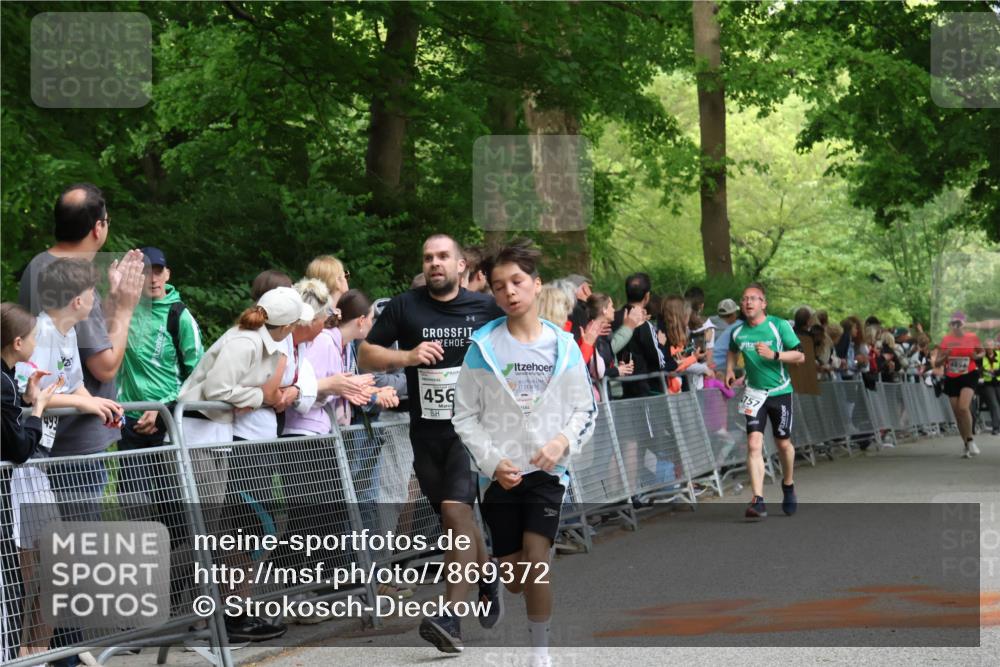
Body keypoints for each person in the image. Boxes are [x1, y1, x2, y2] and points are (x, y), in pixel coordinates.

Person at [357, 234, 505, 653]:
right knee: (450, 520)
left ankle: (450, 620)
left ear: (461, 266)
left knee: (457, 513)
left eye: (443, 257)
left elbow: (513, 353)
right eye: (428, 257)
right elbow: (365, 356)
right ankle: (485, 572)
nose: (435, 263)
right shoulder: (406, 306)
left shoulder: (485, 309)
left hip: (470, 432)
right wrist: (407, 357)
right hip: (425, 433)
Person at [453, 240, 597, 667]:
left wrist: (561, 443)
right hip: (499, 475)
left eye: (517, 282)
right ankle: (497, 580)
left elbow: (584, 408)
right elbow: (464, 416)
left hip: (548, 474)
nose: (509, 292)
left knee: (539, 561)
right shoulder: (483, 348)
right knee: (516, 578)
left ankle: (540, 654)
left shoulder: (564, 347)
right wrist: (493, 462)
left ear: (535, 286)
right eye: (499, 286)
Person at [175, 286, 315, 642]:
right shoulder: (246, 341)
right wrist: (258, 398)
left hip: (214, 437)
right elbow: (218, 391)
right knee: (205, 532)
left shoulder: (258, 341)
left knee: (213, 530)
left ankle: (216, 618)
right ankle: (202, 621)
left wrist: (252, 399)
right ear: (287, 326)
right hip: (199, 436)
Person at [12, 260, 124, 660]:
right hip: (24, 468)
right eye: (92, 294)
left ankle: (40, 654)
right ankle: (31, 654)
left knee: (49, 576)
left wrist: (98, 402)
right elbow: (33, 394)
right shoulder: (40, 332)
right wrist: (82, 401)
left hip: (40, 465)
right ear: (78, 299)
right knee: (39, 576)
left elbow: (73, 383)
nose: (94, 301)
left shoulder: (69, 332)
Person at [116, 247, 204, 511]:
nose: (152, 279)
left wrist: (163, 408)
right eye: (145, 273)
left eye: (158, 271)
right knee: (133, 502)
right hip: (129, 419)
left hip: (168, 421)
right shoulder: (123, 312)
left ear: (167, 274)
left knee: (172, 503)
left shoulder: (180, 317)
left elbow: (199, 376)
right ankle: (141, 552)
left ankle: (175, 551)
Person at [1, 303, 60, 662]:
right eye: (35, 338)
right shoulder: (3, 383)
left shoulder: (8, 382)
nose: (38, 344)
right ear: (18, 342)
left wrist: (24, 399)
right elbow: (20, 449)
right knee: (8, 591)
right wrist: (37, 409)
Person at [725, 282, 805, 520]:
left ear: (763, 303)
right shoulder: (738, 332)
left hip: (780, 392)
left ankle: (788, 484)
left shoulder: (778, 325)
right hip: (754, 393)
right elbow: (732, 350)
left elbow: (800, 355)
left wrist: (775, 355)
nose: (748, 302)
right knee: (753, 443)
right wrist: (730, 369)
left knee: (783, 444)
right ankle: (758, 500)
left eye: (753, 298)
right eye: (744, 299)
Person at [935, 312, 984, 458]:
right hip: (951, 377)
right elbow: (937, 363)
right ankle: (966, 445)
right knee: (957, 413)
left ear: (964, 324)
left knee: (963, 408)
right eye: (953, 323)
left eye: (959, 323)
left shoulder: (972, 337)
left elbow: (982, 353)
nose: (956, 326)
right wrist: (945, 355)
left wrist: (976, 356)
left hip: (969, 374)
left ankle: (970, 440)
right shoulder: (946, 340)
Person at [612, 273, 662, 397]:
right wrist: (661, 344)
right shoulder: (644, 324)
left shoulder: (612, 319)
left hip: (618, 385)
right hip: (645, 387)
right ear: (647, 296)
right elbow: (657, 359)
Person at [980, 338, 1000, 436]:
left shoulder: (999, 354)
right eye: (987, 346)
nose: (989, 348)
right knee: (994, 405)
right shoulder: (982, 357)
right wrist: (984, 371)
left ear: (993, 346)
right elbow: (978, 369)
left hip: (999, 381)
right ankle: (996, 428)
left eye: (990, 346)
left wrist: (995, 372)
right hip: (988, 384)